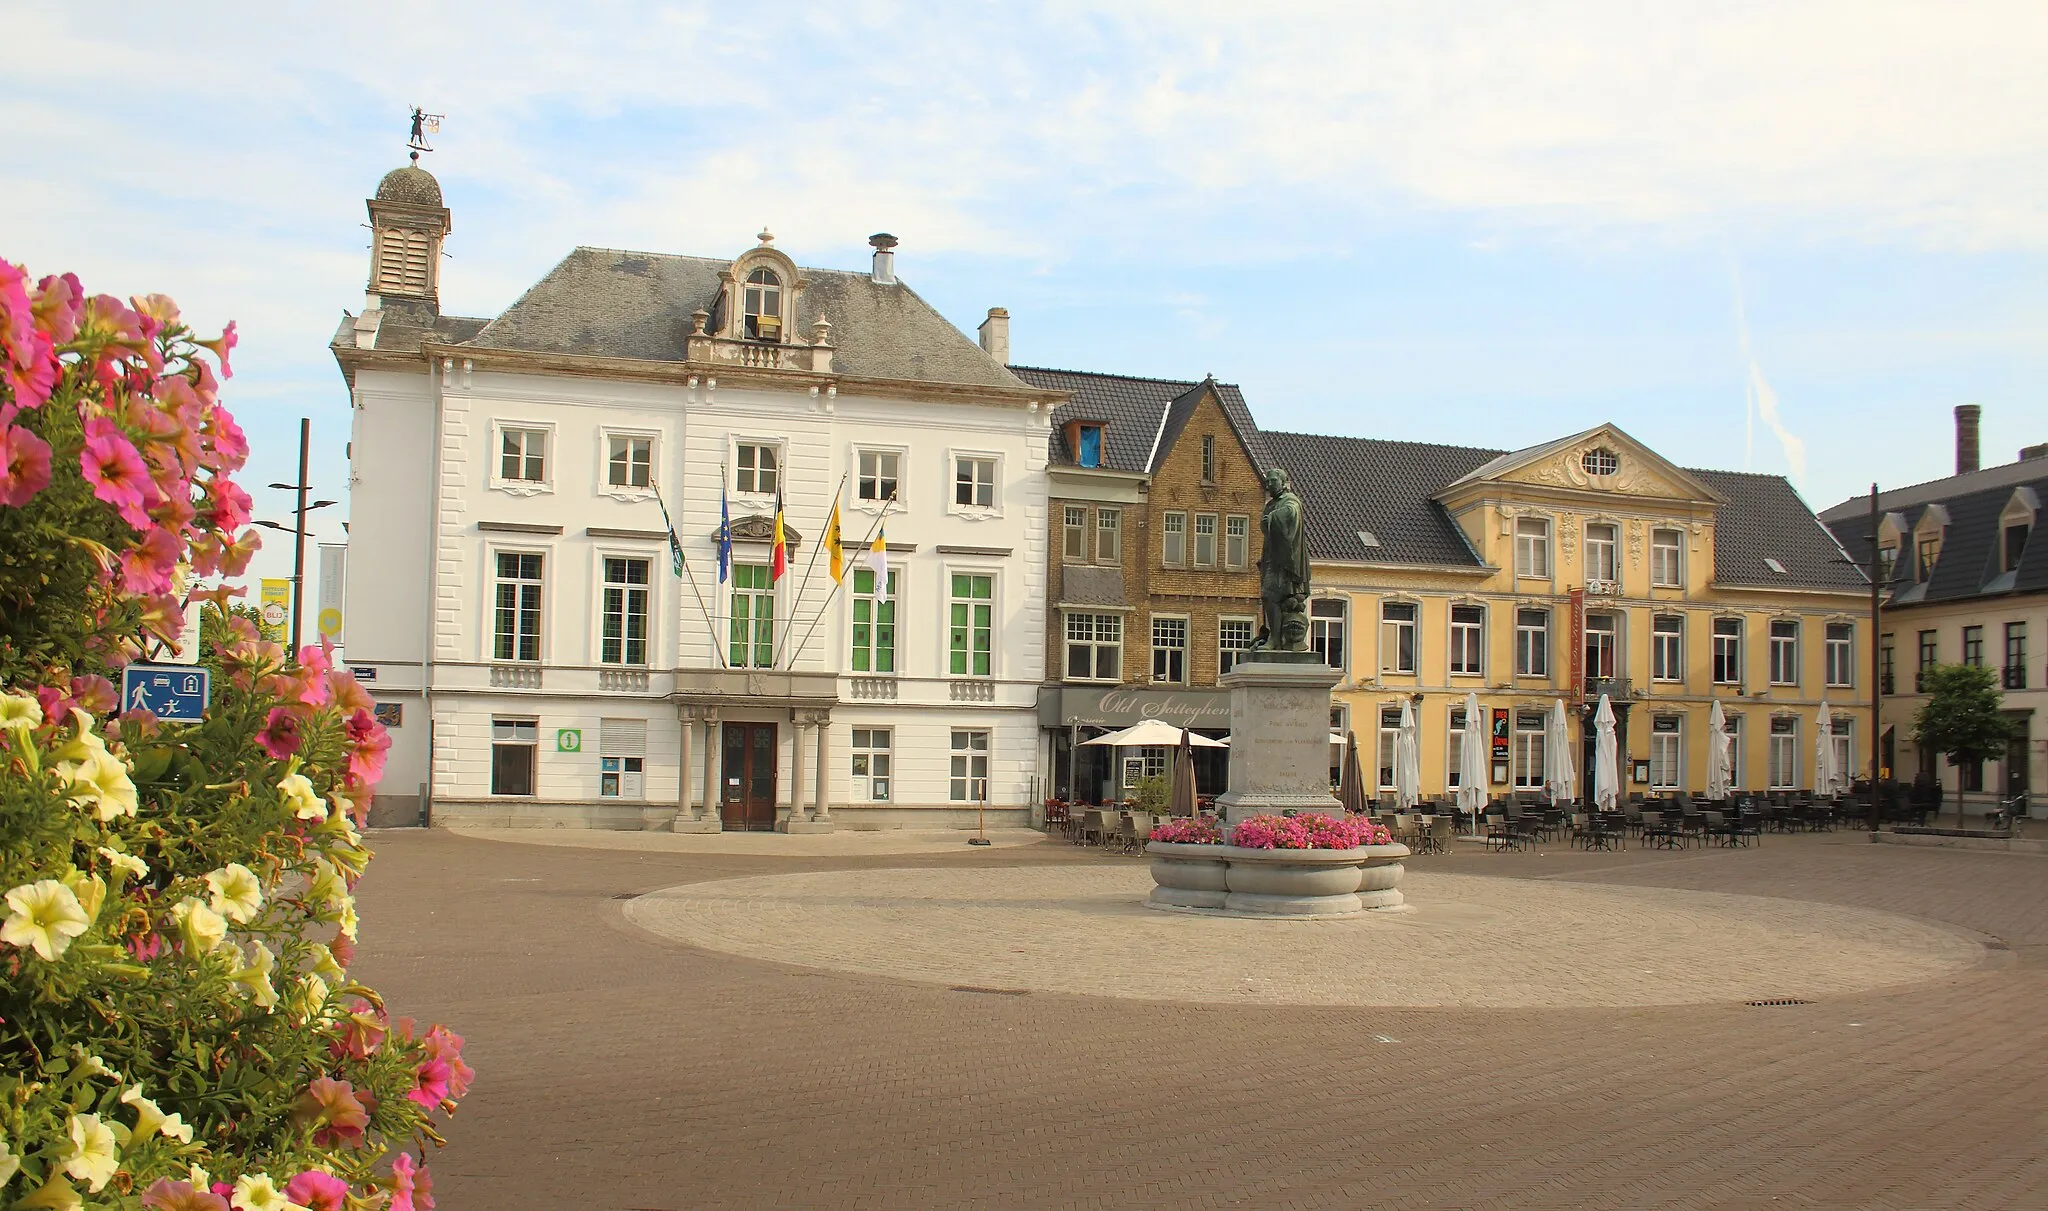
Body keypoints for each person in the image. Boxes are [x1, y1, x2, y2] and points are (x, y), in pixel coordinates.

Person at [1249, 467, 1311, 652]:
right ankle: (1271, 635)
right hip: (1271, 558)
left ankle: (1276, 640)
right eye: (1267, 482)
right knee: (1268, 597)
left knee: (1271, 596)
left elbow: (1291, 515)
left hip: (1284, 562)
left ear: (1284, 483)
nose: (1269, 485)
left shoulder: (1290, 501)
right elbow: (1264, 525)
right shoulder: (1271, 504)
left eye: (1273, 481)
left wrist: (1274, 518)